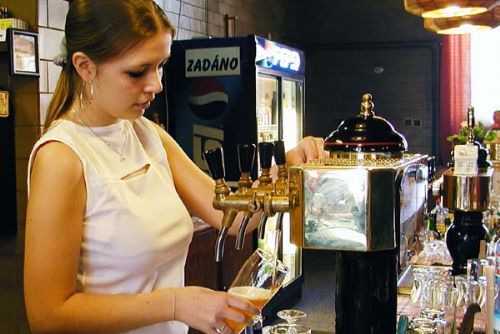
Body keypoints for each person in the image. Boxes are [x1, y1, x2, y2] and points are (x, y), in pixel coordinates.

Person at [24, 1, 326, 333]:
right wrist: (175, 303)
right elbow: (48, 315)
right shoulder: (63, 157)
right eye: (138, 71)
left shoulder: (146, 134)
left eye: (161, 65)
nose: (156, 84)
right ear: (85, 66)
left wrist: (288, 166)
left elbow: (234, 217)